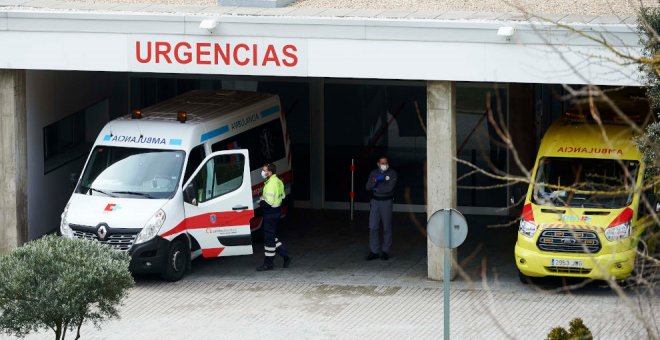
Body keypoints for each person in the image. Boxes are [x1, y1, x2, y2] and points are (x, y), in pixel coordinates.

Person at [256, 163, 292, 271]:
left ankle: (268, 264)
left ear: (270, 172)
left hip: (270, 213)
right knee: (270, 236)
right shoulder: (278, 181)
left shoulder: (271, 184)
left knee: (269, 240)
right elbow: (283, 196)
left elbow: (269, 202)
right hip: (276, 212)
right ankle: (285, 256)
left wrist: (260, 202)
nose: (263, 172)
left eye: (264, 170)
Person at [365, 156, 398, 261]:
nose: (385, 165)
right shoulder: (373, 173)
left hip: (386, 202)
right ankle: (374, 251)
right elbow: (368, 187)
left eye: (386, 163)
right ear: (378, 164)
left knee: (386, 227)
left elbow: (389, 188)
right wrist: (377, 180)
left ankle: (385, 251)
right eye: (383, 163)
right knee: (373, 227)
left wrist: (376, 185)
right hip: (375, 202)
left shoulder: (392, 173)